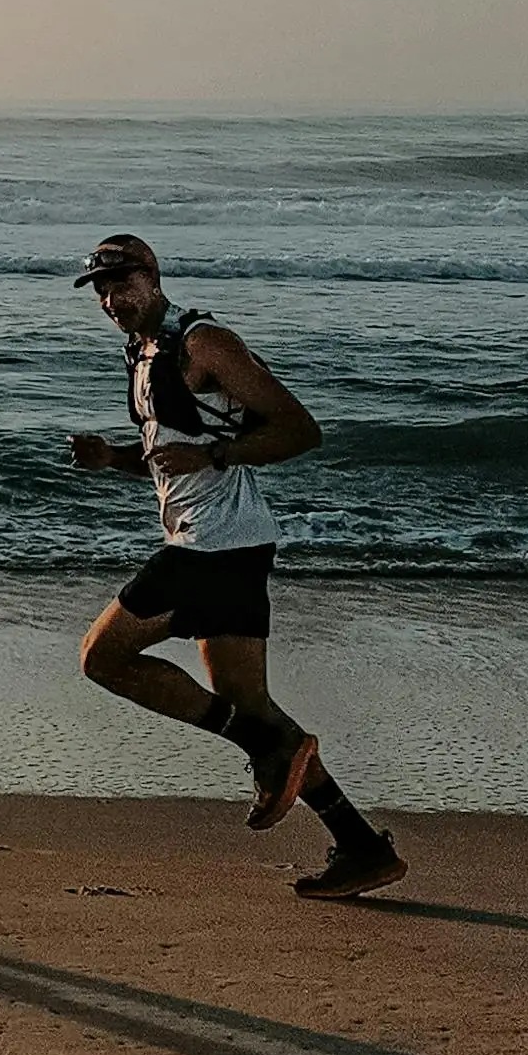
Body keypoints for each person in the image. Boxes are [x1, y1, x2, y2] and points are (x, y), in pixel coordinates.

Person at [68, 233, 404, 900]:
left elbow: (299, 429)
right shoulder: (143, 356)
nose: (112, 300)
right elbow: (177, 459)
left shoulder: (204, 344)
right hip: (230, 543)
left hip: (212, 547)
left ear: (153, 277)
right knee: (250, 702)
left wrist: (220, 459)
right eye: (102, 291)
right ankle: (362, 846)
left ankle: (260, 744)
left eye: (122, 284)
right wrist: (114, 460)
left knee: (101, 658)